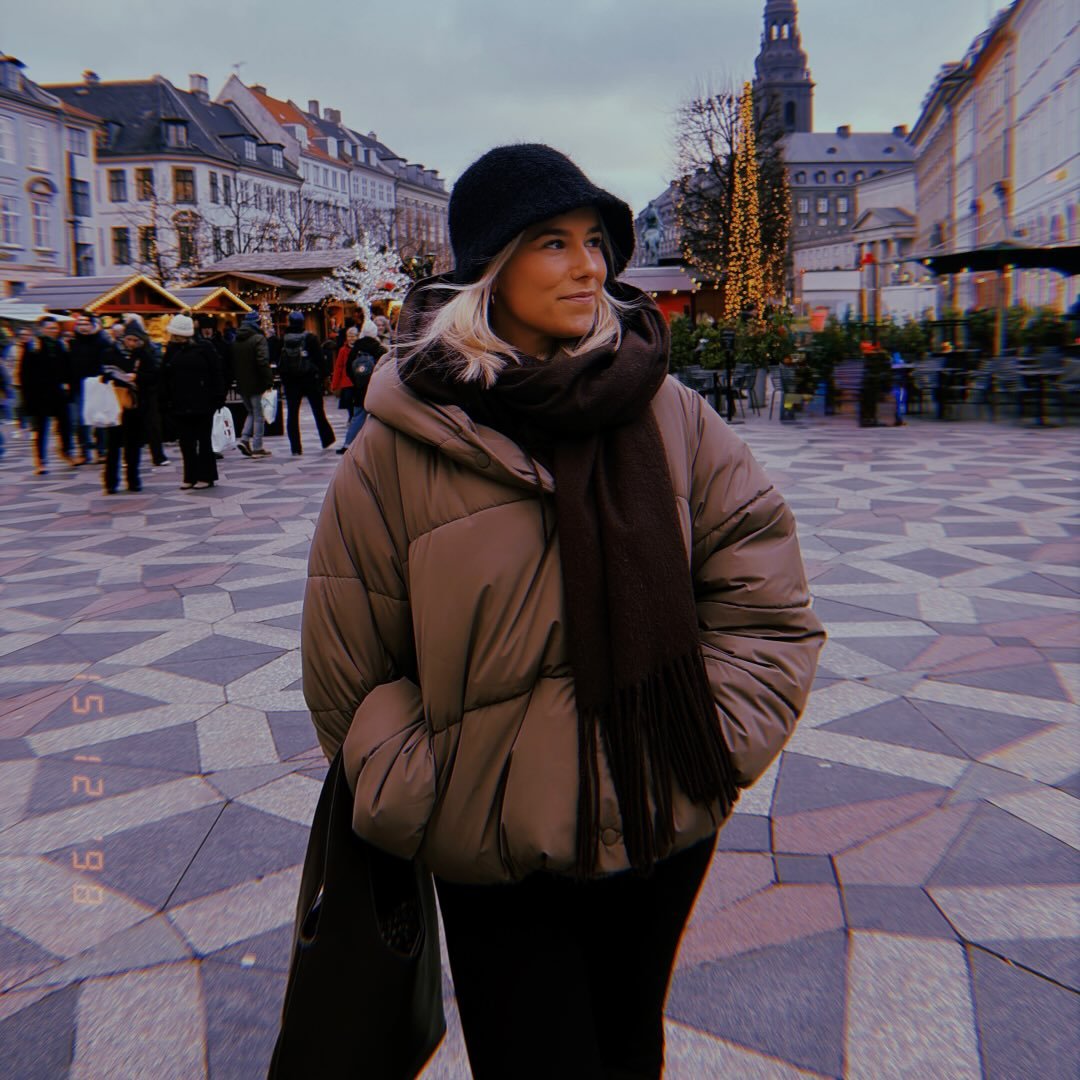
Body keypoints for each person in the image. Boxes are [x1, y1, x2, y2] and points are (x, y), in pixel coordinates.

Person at [300, 144, 825, 1079]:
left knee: (629, 1053)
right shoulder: (398, 447)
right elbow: (348, 666)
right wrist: (440, 796)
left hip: (660, 818)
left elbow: (766, 600)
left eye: (595, 241)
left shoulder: (668, 412)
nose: (590, 266)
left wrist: (707, 743)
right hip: (496, 850)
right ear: (490, 270)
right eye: (554, 242)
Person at [160, 313, 223, 489]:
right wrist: (165, 399)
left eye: (178, 335)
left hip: (203, 401)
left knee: (204, 440)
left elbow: (216, 372)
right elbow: (164, 376)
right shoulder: (171, 350)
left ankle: (206, 476)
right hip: (180, 402)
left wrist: (218, 396)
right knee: (186, 442)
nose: (175, 338)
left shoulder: (204, 348)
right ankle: (190, 476)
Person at [99, 319, 153, 494]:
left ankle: (133, 479)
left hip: (135, 405)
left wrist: (137, 377)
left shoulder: (143, 355)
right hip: (115, 403)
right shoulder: (110, 353)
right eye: (129, 339)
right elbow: (102, 374)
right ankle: (111, 481)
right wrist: (114, 376)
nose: (132, 343)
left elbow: (153, 376)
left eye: (136, 340)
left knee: (133, 445)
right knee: (113, 444)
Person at [19, 316, 73, 476]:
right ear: (42, 329)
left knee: (66, 424)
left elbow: (66, 367)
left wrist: (67, 384)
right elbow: (24, 373)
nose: (53, 331)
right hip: (39, 394)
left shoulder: (60, 345)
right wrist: (28, 397)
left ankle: (66, 451)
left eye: (55, 328)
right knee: (41, 428)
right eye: (50, 328)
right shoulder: (33, 346)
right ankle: (41, 461)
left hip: (58, 392)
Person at [279, 310, 335, 454]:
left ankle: (295, 447)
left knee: (292, 413)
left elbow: (279, 361)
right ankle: (326, 439)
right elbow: (319, 359)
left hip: (291, 381)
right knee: (318, 410)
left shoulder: (283, 339)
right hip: (310, 379)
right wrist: (324, 376)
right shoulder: (310, 338)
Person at [335, 319, 385, 453]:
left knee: (357, 417)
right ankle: (378, 446)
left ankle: (347, 444)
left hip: (359, 389)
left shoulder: (356, 348)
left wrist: (357, 382)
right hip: (375, 389)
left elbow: (348, 368)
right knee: (380, 419)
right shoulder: (378, 347)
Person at [232, 310, 274, 458]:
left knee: (251, 412)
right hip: (257, 382)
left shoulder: (236, 339)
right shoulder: (258, 339)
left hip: (242, 383)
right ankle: (257, 446)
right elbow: (263, 361)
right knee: (258, 415)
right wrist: (268, 380)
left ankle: (244, 438)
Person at [68, 314, 108, 464]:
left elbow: (106, 362)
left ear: (92, 325)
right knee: (80, 420)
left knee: (99, 419)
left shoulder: (101, 341)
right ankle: (84, 451)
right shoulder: (72, 342)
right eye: (80, 324)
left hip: (97, 385)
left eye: (86, 324)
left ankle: (101, 450)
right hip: (78, 386)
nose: (83, 327)